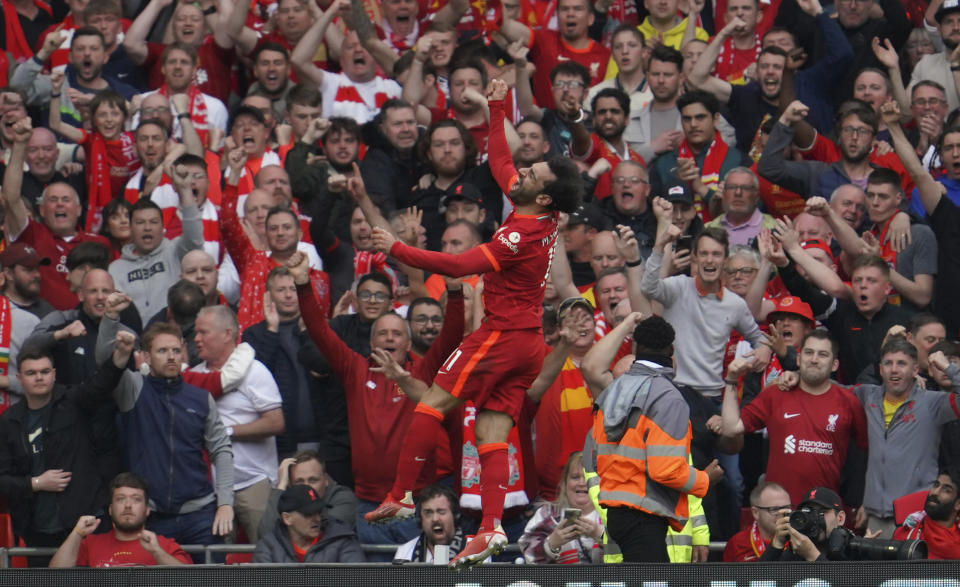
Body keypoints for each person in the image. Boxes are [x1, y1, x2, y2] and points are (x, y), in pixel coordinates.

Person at [362, 79, 583, 568]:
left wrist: (394, 248)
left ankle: (400, 493)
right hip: (526, 343)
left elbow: (460, 267)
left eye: (535, 172)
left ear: (543, 197)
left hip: (501, 336)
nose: (523, 171)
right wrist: (499, 104)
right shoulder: (536, 211)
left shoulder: (522, 232)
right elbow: (503, 163)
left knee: (432, 402)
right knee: (490, 431)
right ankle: (488, 529)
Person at [590, 315, 722, 562]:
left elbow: (598, 457)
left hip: (616, 515)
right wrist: (705, 479)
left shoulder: (611, 392)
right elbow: (666, 470)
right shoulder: (666, 397)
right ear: (672, 350)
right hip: (644, 516)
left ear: (635, 349)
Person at [0, 330, 133, 554]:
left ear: (54, 374)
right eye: (31, 373)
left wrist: (121, 355)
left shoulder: (73, 401)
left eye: (44, 372)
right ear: (20, 379)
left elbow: (100, 385)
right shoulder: (8, 421)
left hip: (86, 520)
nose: (39, 377)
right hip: (38, 530)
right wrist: (36, 483)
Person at [111, 322, 237, 553]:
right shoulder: (134, 388)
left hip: (201, 513)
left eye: (176, 350)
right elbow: (107, 364)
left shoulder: (201, 398)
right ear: (146, 356)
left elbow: (221, 450)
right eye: (162, 351)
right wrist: (111, 320)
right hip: (152, 515)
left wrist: (226, 502)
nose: (171, 357)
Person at [721, 330, 868, 505]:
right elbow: (731, 428)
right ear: (798, 359)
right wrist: (731, 380)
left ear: (834, 365)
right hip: (777, 510)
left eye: (822, 355)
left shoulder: (849, 401)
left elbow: (865, 453)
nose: (814, 359)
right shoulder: (776, 393)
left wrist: (858, 501)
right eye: (808, 352)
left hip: (824, 508)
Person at [191, 305, 284, 544]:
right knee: (219, 564)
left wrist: (227, 432)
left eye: (203, 332)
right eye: (196, 333)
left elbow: (276, 422)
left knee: (266, 556)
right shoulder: (194, 376)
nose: (196, 339)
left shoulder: (255, 371)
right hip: (210, 490)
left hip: (253, 483)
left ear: (227, 333)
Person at [852, 338, 960, 539]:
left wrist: (948, 367)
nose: (894, 369)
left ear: (915, 369)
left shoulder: (932, 403)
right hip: (876, 517)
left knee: (915, 572)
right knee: (876, 572)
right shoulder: (867, 395)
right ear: (880, 369)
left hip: (918, 517)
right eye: (888, 363)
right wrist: (793, 376)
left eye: (901, 363)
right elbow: (827, 389)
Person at [49, 472, 192, 567]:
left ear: (147, 510)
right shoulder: (91, 543)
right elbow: (56, 575)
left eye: (136, 500)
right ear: (110, 510)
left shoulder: (164, 545)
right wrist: (77, 533)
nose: (128, 505)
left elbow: (190, 580)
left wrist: (156, 551)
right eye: (120, 499)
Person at [519, 451, 603, 564]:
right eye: (575, 477)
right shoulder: (548, 514)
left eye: (588, 477)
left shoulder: (613, 514)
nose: (582, 483)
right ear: (564, 483)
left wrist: (600, 534)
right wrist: (551, 544)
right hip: (557, 581)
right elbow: (528, 555)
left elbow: (629, 555)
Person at [252, 484, 365, 563]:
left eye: (318, 512)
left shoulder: (343, 540)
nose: (316, 519)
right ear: (287, 518)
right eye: (308, 514)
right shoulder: (268, 547)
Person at [258, 451, 357, 540]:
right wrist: (281, 486)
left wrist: (291, 528)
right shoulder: (287, 497)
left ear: (326, 480)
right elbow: (266, 533)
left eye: (313, 480)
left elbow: (328, 532)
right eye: (299, 482)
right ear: (290, 485)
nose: (307, 488)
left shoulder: (343, 497)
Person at [759, 486, 846, 561]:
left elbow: (846, 580)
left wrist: (812, 556)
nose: (814, 518)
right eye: (809, 512)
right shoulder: (796, 552)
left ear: (840, 518)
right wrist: (777, 544)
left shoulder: (852, 549)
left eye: (822, 512)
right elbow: (759, 579)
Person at [894, 469, 960, 559]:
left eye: (946, 490)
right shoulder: (905, 534)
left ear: (958, 504)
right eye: (936, 485)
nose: (935, 492)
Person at [393, 483, 467, 563]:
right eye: (428, 513)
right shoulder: (405, 552)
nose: (435, 519)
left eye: (441, 511)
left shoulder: (472, 550)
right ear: (421, 518)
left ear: (455, 515)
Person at [723, 481, 793, 562]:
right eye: (774, 509)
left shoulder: (798, 540)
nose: (782, 514)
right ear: (755, 513)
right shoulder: (737, 544)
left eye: (787, 507)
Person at [0, 243, 55, 319]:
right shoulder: (1, 308)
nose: (37, 275)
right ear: (9, 274)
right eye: (29, 269)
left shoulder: (48, 312)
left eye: (37, 268)